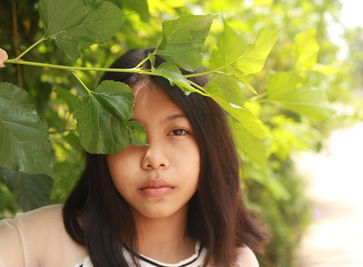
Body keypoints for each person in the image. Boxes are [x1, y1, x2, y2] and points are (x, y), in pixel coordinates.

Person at [0, 49, 267, 267]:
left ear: (210, 146)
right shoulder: (40, 239)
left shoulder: (235, 262)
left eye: (177, 131)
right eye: (129, 133)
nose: (153, 158)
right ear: (102, 149)